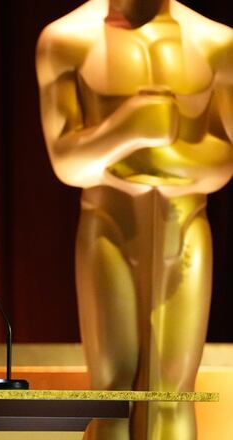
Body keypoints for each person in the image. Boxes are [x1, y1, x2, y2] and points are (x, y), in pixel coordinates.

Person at [36, 1, 233, 439]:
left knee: (173, 391)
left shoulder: (216, 43)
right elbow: (68, 162)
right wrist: (128, 127)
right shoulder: (67, 40)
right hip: (109, 224)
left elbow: (223, 160)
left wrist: (148, 156)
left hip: (185, 225)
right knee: (113, 391)